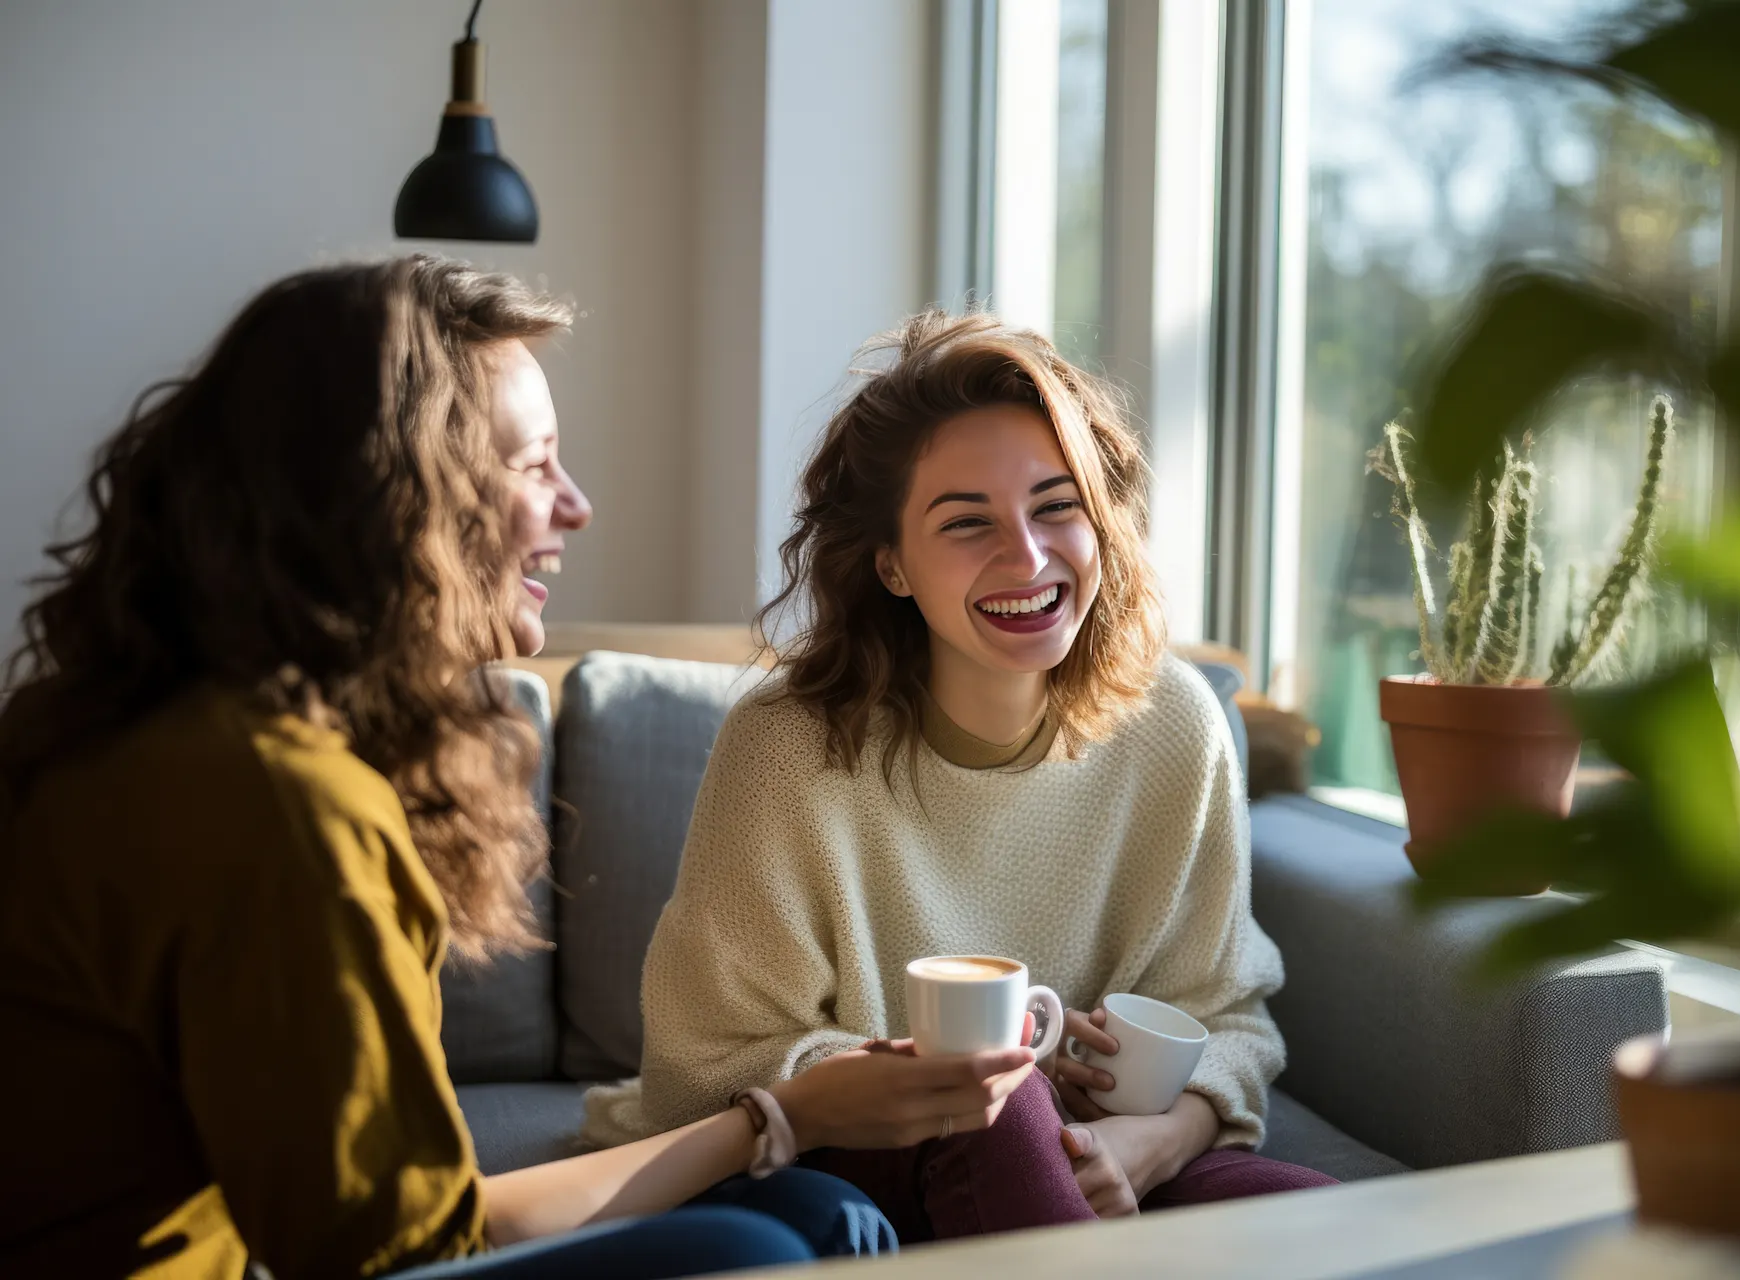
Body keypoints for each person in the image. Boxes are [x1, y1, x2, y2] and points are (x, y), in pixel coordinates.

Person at [0, 259, 1036, 1279]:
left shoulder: (142, 731)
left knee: (816, 1214)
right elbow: (404, 1248)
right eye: (534, 465)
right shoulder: (277, 802)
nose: (576, 505)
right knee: (760, 1242)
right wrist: (784, 1111)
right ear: (397, 493)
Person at [586, 309, 1337, 1242]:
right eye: (966, 523)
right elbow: (703, 1065)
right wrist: (934, 1076)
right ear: (892, 566)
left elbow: (1230, 1016)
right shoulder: (786, 746)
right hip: (851, 1164)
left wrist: (1160, 1141)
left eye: (1057, 506)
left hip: (1109, 1161)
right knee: (998, 1099)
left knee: (1312, 1216)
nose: (1026, 557)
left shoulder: (1177, 723)